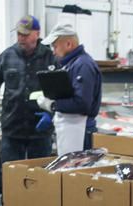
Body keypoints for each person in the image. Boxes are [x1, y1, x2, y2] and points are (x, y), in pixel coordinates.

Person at [0, 15, 56, 163]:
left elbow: (58, 90)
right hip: (13, 129)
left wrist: (51, 113)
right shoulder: (7, 57)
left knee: (40, 177)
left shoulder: (50, 58)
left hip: (40, 129)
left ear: (37, 34)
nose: (21, 38)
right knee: (10, 176)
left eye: (25, 35)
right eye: (19, 34)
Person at [36, 23, 102, 155]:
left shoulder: (83, 65)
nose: (53, 52)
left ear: (68, 44)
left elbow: (82, 104)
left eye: (55, 46)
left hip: (81, 131)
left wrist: (53, 105)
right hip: (72, 128)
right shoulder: (71, 64)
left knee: (77, 173)